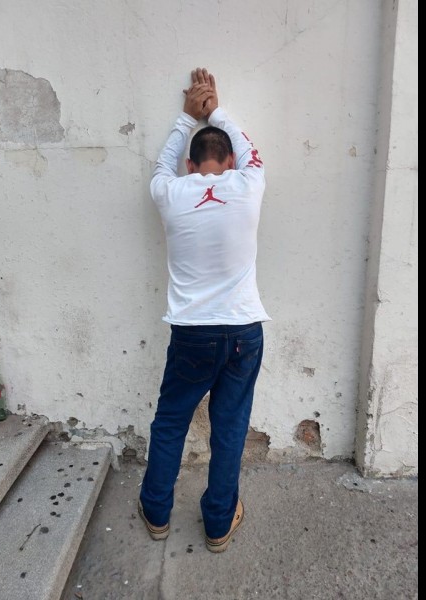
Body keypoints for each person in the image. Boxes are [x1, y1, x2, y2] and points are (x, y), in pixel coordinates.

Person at [138, 68, 270, 553]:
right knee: (229, 428)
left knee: (171, 422)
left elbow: (160, 165)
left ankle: (156, 513)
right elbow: (251, 150)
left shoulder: (170, 191)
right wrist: (215, 111)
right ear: (230, 161)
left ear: (190, 166)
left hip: (192, 334)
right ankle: (218, 524)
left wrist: (186, 116)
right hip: (244, 331)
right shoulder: (249, 183)